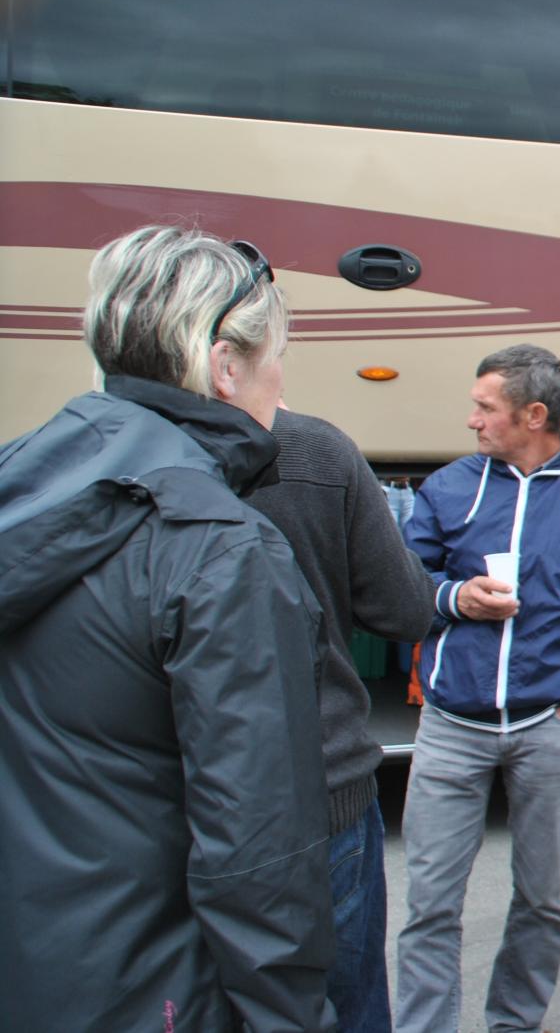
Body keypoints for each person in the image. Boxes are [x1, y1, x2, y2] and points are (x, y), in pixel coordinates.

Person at [0, 225, 333, 1030]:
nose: (281, 382)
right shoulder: (220, 549)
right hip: (157, 985)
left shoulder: (20, 482)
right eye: (274, 355)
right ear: (225, 366)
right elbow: (258, 853)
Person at [394, 343, 560, 1033]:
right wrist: (456, 598)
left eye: (486, 408)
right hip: (452, 725)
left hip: (550, 725)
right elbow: (398, 592)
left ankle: (514, 1024)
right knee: (429, 906)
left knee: (539, 901)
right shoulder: (450, 487)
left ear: (532, 414)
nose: (471, 420)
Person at [249, 406, 437, 1031]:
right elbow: (405, 608)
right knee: (346, 997)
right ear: (231, 361)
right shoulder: (313, 450)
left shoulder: (87, 451)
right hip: (319, 785)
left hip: (162, 792)